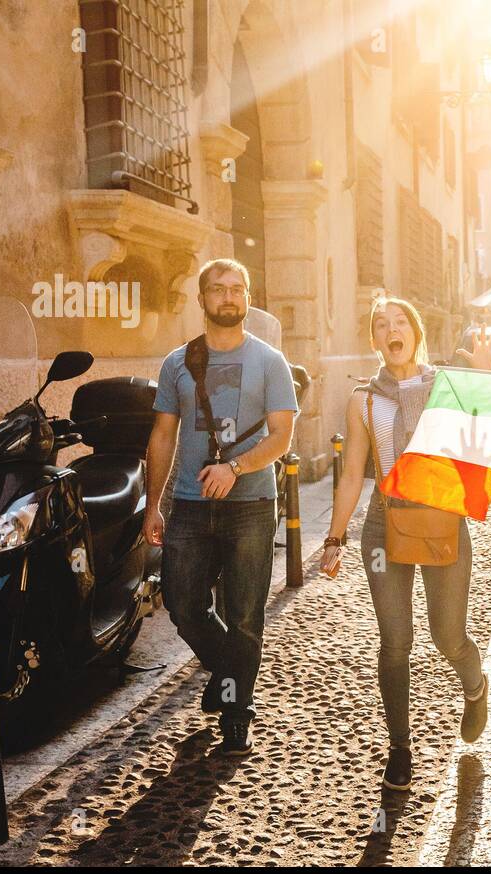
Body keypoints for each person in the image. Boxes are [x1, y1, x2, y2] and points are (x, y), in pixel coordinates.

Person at [317, 297, 491, 791]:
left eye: (400, 321)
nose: (391, 329)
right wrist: (334, 537)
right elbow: (354, 471)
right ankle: (400, 747)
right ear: (375, 340)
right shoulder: (363, 399)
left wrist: (482, 378)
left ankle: (475, 685)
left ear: (416, 331)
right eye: (381, 324)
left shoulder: (447, 385)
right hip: (384, 523)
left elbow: (480, 440)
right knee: (395, 640)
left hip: (441, 518)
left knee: (448, 635)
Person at [144, 259, 299, 755]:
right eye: (218, 289)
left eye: (237, 289)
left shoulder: (270, 361)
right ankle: (228, 670)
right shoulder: (177, 363)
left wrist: (235, 468)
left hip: (252, 504)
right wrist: (153, 506)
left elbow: (281, 436)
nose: (228, 297)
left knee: (246, 615)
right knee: (182, 605)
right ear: (202, 299)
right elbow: (163, 435)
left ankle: (237, 709)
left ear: (247, 298)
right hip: (190, 505)